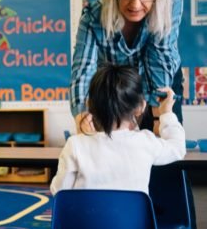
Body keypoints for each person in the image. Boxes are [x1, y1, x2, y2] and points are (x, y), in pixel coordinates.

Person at [70, 0, 183, 135]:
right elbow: (83, 71)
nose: (135, 4)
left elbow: (160, 54)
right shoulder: (93, 17)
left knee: (165, 147)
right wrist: (83, 119)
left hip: (160, 77)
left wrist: (158, 117)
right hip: (115, 86)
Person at [51, 64, 185, 195]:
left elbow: (59, 191)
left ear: (89, 105)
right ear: (141, 107)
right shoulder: (146, 142)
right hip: (133, 218)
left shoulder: (75, 145)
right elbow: (178, 148)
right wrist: (166, 112)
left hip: (86, 217)